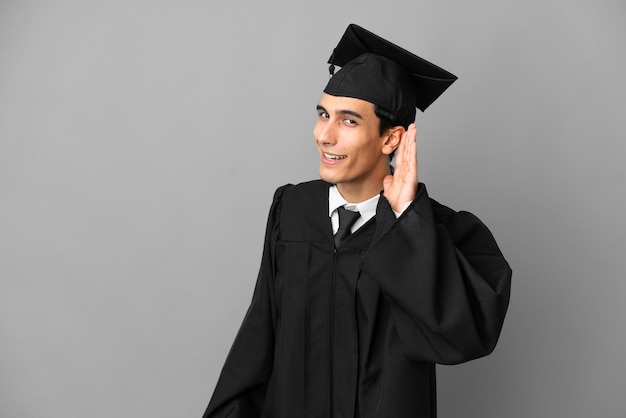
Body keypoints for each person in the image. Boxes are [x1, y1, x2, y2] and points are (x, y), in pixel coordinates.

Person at [202, 24, 511, 418]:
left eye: (348, 121)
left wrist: (403, 220)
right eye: (322, 115)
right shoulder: (292, 209)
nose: (324, 136)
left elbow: (463, 336)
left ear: (391, 139)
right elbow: (260, 335)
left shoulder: (438, 231)